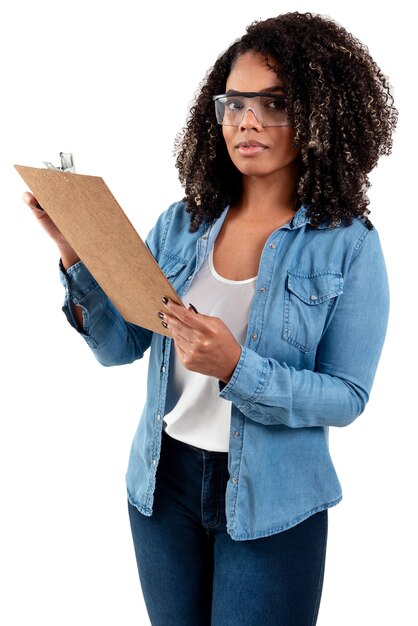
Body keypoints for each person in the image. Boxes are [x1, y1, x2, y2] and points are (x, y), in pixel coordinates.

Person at [23, 11, 397, 626]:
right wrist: (73, 249)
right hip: (161, 484)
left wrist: (238, 369)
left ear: (321, 114)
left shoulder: (348, 245)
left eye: (274, 102)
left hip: (273, 503)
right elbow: (121, 346)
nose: (246, 121)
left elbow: (347, 398)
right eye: (235, 103)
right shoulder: (181, 223)